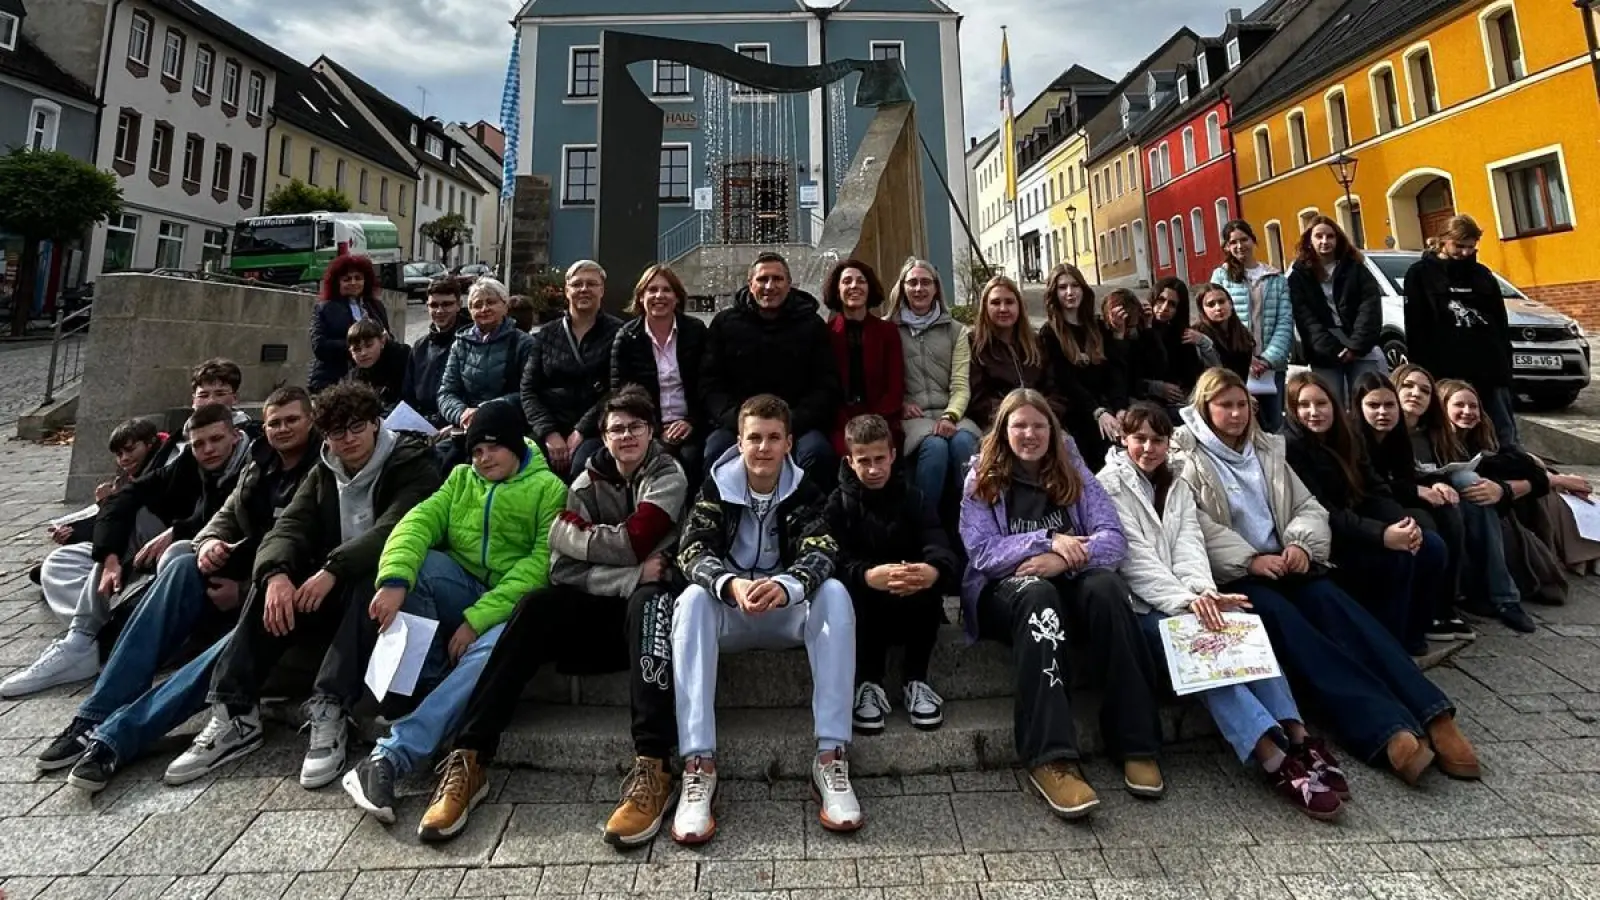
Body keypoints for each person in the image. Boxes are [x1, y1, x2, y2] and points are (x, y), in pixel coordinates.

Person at [1171, 367, 1480, 786]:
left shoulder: (1266, 449)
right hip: (1239, 577)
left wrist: (1299, 545)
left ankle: (1435, 715)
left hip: (1290, 560)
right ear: (1205, 408)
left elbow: (1309, 507)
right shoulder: (1185, 458)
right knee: (1300, 634)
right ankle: (1387, 728)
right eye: (1224, 405)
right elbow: (1196, 526)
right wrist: (1250, 561)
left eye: (1241, 404)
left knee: (1348, 616)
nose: (1235, 414)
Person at [411, 388, 689, 847]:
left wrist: (580, 537)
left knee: (650, 599)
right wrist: (629, 574)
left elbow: (638, 539)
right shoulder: (584, 481)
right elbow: (563, 569)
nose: (626, 436)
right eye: (616, 428)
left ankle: (654, 765)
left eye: (635, 427)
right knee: (536, 605)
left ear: (651, 431)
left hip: (652, 623)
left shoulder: (667, 474)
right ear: (603, 435)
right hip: (603, 614)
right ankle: (471, 756)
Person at [160, 382, 441, 788]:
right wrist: (274, 574)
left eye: (356, 427)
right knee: (272, 583)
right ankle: (235, 713)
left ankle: (330, 707)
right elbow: (289, 525)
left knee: (372, 574)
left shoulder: (412, 462)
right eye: (335, 432)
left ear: (376, 424)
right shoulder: (324, 468)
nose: (347, 439)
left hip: (384, 588)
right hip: (329, 586)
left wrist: (332, 570)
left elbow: (394, 530)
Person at [38, 388, 317, 782]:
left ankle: (116, 737)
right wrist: (207, 544)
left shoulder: (322, 468)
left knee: (240, 629)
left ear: (312, 421)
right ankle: (95, 713)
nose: (283, 429)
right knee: (183, 564)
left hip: (285, 599)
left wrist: (241, 588)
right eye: (275, 422)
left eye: (293, 420)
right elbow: (223, 517)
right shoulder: (260, 465)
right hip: (248, 581)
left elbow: (302, 540)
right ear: (262, 429)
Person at [1099, 402, 1343, 820]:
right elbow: (1134, 561)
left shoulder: (1175, 483)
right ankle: (1271, 756)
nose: (1149, 448)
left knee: (1243, 628)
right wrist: (1187, 603)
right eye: (1139, 439)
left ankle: (1298, 735)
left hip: (1189, 596)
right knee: (1203, 649)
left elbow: (1190, 545)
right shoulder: (1108, 486)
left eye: (1158, 440)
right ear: (1124, 439)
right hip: (1144, 608)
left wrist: (1204, 594)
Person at [341, 399, 566, 823]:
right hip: (459, 585)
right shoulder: (461, 479)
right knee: (419, 568)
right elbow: (417, 522)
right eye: (477, 450)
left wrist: (474, 620)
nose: (483, 458)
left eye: (493, 447)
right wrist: (393, 580)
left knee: (494, 648)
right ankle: (425, 693)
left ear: (516, 446)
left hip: (510, 606)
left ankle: (391, 755)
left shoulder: (549, 489)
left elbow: (539, 566)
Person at [958, 388, 1163, 819]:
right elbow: (983, 553)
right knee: (1038, 595)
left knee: (1107, 589)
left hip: (1065, 577)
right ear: (1004, 430)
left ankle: (1135, 741)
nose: (1029, 434)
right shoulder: (982, 477)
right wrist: (1047, 540)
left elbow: (1112, 539)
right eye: (1019, 426)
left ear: (1052, 431)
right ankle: (1050, 757)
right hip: (1006, 592)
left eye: (1038, 426)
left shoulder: (1073, 470)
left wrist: (1060, 560)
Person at [671, 394, 860, 843]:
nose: (763, 448)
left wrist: (787, 586)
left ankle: (831, 756)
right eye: (754, 437)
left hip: (783, 611)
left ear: (789, 443)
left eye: (774, 438)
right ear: (738, 442)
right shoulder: (716, 487)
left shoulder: (805, 490)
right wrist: (729, 585)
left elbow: (824, 550)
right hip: (732, 611)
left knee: (834, 594)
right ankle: (698, 764)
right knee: (693, 602)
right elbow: (691, 549)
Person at [3, 403, 250, 699]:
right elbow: (124, 499)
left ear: (234, 435)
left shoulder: (257, 461)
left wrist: (178, 532)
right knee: (59, 562)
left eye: (216, 440)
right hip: (157, 549)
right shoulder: (188, 461)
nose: (208, 449)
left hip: (216, 561)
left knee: (178, 556)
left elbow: (229, 518)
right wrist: (109, 559)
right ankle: (88, 636)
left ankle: (95, 640)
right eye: (199, 444)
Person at [1283, 372, 1447, 656]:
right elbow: (1323, 510)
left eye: (1321, 403)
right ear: (1293, 410)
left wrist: (1402, 524)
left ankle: (1413, 635)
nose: (1314, 412)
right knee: (1396, 558)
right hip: (1327, 536)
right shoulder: (1290, 447)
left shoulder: (1347, 435)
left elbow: (1374, 487)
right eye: (1304, 405)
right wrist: (1382, 535)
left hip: (1360, 521)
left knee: (1431, 545)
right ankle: (1386, 647)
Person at [827, 414, 960, 734]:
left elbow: (938, 543)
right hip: (865, 605)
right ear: (850, 460)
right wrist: (867, 576)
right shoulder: (837, 504)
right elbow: (833, 560)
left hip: (911, 603)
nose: (873, 469)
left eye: (879, 459)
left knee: (926, 583)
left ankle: (916, 680)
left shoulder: (915, 498)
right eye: (864, 461)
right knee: (849, 591)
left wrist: (931, 570)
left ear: (892, 455)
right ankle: (868, 684)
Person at [1351, 372, 1473, 643]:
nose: (1383, 412)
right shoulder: (1353, 439)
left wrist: (1434, 484)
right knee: (1427, 534)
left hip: (1390, 502)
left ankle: (1442, 608)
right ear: (1359, 406)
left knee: (1448, 513)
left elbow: (1405, 476)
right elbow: (1369, 490)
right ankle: (1417, 624)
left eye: (1389, 405)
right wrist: (1409, 509)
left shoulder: (1398, 436)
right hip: (1365, 511)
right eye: (1373, 406)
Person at [700, 253, 840, 486]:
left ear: (789, 284)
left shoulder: (811, 325)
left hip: (797, 425)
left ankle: (810, 519)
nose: (769, 286)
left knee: (818, 454)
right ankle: (719, 518)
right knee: (715, 453)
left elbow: (826, 384)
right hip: (738, 424)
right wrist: (739, 421)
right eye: (763, 279)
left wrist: (791, 422)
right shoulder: (724, 324)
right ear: (750, 284)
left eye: (777, 279)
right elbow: (709, 384)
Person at [1428, 378, 1548, 632]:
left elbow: (1537, 475)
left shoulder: (1485, 441)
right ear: (1442, 407)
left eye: (1474, 407)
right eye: (1459, 405)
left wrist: (1502, 490)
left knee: (1476, 497)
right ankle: (1503, 598)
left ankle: (1498, 597)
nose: (1468, 412)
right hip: (1441, 501)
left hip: (1479, 507)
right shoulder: (1431, 440)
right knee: (1467, 480)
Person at [1402, 215, 1516, 448]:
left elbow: (1499, 322)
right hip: (1445, 365)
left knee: (1502, 432)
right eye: (1459, 246)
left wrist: (1505, 362)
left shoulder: (1482, 275)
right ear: (1443, 241)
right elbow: (1416, 325)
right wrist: (1424, 369)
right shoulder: (1420, 274)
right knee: (1449, 430)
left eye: (1470, 247)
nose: (1465, 253)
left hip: (1488, 365)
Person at [883, 257, 981, 520]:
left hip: (952, 413)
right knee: (935, 448)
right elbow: (885, 378)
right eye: (912, 282)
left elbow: (960, 383)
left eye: (926, 282)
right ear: (902, 288)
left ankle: (974, 520)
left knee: (963, 442)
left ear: (936, 288)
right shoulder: (889, 329)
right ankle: (924, 522)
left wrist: (951, 415)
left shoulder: (956, 331)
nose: (919, 289)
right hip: (913, 416)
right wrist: (900, 403)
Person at [521, 261, 623, 478]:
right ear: (566, 290)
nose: (584, 289)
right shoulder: (547, 334)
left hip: (595, 428)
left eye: (591, 284)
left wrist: (580, 431)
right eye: (577, 284)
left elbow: (616, 390)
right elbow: (529, 389)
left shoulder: (618, 333)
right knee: (523, 466)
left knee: (580, 470)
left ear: (602, 290)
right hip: (550, 424)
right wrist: (549, 432)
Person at [610, 264, 709, 476]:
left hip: (691, 424)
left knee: (695, 460)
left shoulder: (696, 331)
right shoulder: (627, 337)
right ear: (640, 297)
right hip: (647, 427)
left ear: (677, 297)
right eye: (652, 290)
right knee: (658, 464)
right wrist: (653, 429)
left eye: (666, 290)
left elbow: (707, 383)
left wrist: (690, 422)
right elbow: (621, 393)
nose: (659, 296)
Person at [1288, 216, 1386, 406]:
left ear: (1338, 238)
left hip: (1360, 347)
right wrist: (1331, 349)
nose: (1325, 241)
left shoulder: (1356, 268)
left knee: (1367, 402)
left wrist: (1356, 345)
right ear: (1309, 240)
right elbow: (1306, 318)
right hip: (1323, 352)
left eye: (1330, 236)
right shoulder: (1299, 275)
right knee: (1330, 405)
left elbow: (1369, 308)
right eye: (1319, 236)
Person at [1210, 220, 1292, 431]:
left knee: (1274, 425)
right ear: (1226, 247)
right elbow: (1216, 321)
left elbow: (1284, 322)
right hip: (1237, 366)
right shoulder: (1221, 276)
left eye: (1244, 239)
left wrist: (1268, 359)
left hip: (1271, 367)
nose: (1239, 246)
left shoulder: (1276, 278)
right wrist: (1245, 359)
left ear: (1253, 240)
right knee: (1240, 425)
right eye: (1233, 242)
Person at [1038, 264, 1120, 464]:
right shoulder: (1050, 333)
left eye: (1075, 286)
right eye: (1062, 287)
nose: (1069, 292)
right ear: (1054, 293)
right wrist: (1097, 411)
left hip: (1106, 406)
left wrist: (1119, 408)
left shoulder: (1098, 327)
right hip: (1076, 411)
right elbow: (1066, 381)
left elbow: (1114, 373)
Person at [824, 258, 904, 458]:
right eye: (847, 281)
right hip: (839, 421)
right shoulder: (826, 334)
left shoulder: (888, 331)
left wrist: (874, 421)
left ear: (869, 288)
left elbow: (895, 386)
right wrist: (847, 424)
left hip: (882, 418)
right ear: (837, 290)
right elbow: (826, 388)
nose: (854, 286)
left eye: (861, 281)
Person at [968, 275, 1064, 432]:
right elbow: (979, 400)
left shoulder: (1036, 343)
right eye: (995, 302)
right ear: (985, 307)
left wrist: (1042, 416)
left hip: (1041, 423)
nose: (1003, 308)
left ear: (1019, 305)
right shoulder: (975, 345)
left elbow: (1054, 390)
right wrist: (1015, 417)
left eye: (1009, 302)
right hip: (998, 426)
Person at [310, 254, 391, 391]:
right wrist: (359, 346)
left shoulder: (376, 306)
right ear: (337, 282)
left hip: (372, 381)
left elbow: (387, 337)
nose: (353, 283)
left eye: (358, 278)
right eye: (347, 279)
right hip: (332, 381)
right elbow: (319, 346)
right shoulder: (325, 308)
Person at [402, 278, 471, 428]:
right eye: (434, 305)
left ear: (459, 305)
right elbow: (408, 395)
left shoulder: (470, 341)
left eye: (446, 304)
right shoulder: (420, 346)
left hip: (458, 423)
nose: (439, 311)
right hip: (421, 425)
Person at [1146, 277, 1216, 409]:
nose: (1164, 307)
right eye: (1161, 300)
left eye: (1172, 304)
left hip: (1181, 405)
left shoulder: (1183, 335)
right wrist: (1156, 387)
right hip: (1148, 404)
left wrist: (1204, 343)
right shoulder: (1137, 331)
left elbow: (1211, 372)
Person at [1191, 283, 1254, 382]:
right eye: (1211, 304)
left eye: (1221, 301)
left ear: (1230, 304)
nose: (1218, 308)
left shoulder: (1243, 334)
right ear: (1202, 310)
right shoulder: (1197, 335)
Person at [345, 317, 411, 412]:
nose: (363, 353)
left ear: (382, 341)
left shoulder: (402, 360)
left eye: (369, 346)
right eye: (357, 349)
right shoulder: (352, 379)